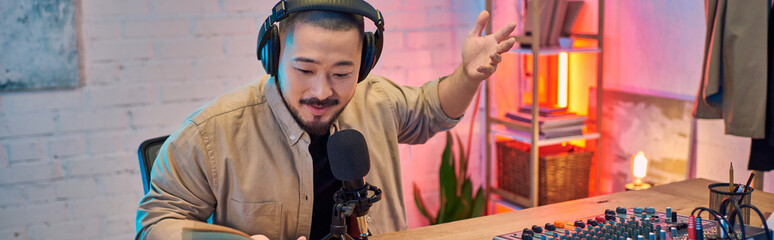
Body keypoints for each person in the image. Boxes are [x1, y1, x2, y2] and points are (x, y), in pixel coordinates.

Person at [135, 0, 517, 239]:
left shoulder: (377, 100)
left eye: (341, 73)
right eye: (304, 70)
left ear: (364, 64)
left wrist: (468, 76)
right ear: (274, 59)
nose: (321, 91)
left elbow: (432, 110)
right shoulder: (211, 134)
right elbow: (157, 224)